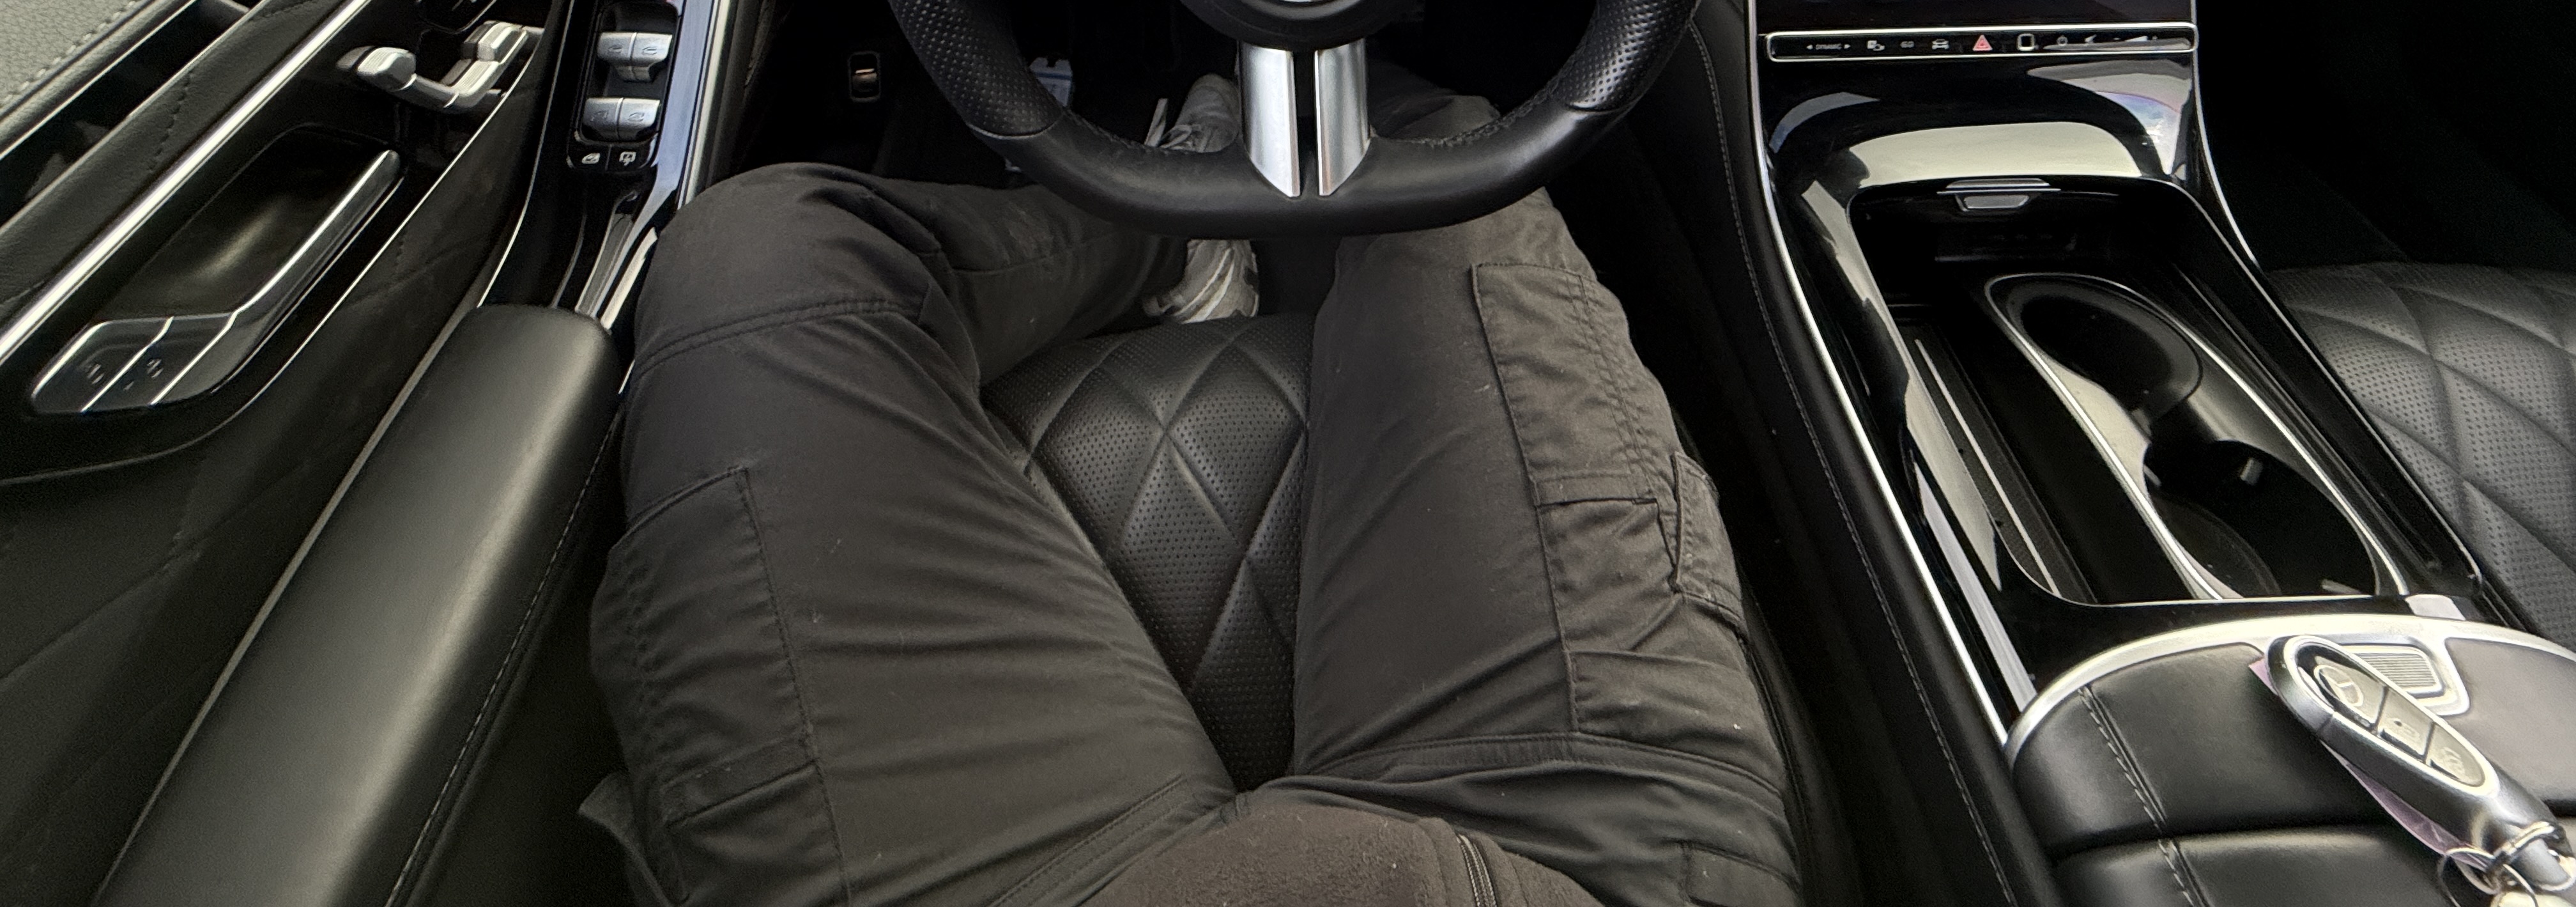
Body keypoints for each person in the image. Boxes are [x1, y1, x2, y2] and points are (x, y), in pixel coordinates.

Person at [586, 66, 1800, 907]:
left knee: (766, 246)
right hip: (1562, 860)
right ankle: (1213, 191)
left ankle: (1170, 216)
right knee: (1452, 152)